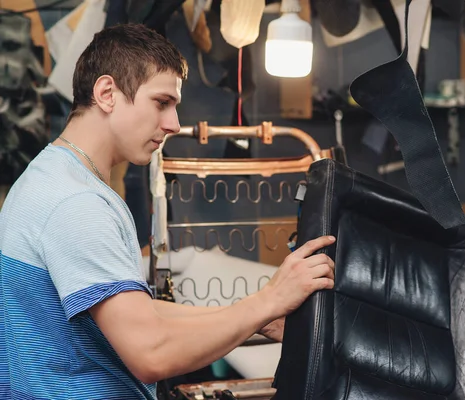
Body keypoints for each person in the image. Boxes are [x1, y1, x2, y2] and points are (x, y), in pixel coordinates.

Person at [0, 24, 335, 400]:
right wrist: (266, 301)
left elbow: (143, 315)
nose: (174, 124)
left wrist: (260, 317)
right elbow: (150, 351)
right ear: (107, 93)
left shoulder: (50, 175)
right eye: (162, 103)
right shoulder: (76, 204)